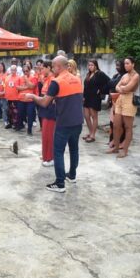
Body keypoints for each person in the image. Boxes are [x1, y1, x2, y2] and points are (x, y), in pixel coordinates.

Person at [25, 56, 84, 193]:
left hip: (64, 122)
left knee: (58, 151)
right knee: (74, 149)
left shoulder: (56, 82)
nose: (52, 69)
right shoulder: (77, 79)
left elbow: (44, 102)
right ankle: (72, 175)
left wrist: (32, 96)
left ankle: (60, 183)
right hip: (78, 121)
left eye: (53, 66)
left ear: (58, 66)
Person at [109, 57, 140, 158]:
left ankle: (125, 150)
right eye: (125, 64)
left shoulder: (136, 76)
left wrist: (122, 88)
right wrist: (122, 88)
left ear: (133, 64)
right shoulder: (125, 75)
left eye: (128, 63)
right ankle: (116, 147)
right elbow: (117, 87)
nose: (125, 65)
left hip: (129, 100)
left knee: (128, 127)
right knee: (116, 125)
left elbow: (128, 88)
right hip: (120, 99)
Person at [82, 60, 109, 143]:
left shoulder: (100, 74)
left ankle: (93, 135)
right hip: (87, 97)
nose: (90, 67)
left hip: (95, 98)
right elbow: (85, 86)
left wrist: (101, 90)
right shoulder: (88, 74)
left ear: (96, 66)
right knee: (86, 116)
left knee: (94, 116)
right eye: (89, 65)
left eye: (92, 65)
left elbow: (109, 82)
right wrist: (83, 96)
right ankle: (90, 132)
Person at [37, 61, 56, 167]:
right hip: (45, 109)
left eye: (43, 68)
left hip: (50, 110)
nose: (41, 71)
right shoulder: (47, 79)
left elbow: (52, 96)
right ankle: (46, 155)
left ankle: (50, 158)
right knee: (45, 134)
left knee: (48, 135)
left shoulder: (52, 80)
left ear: (49, 68)